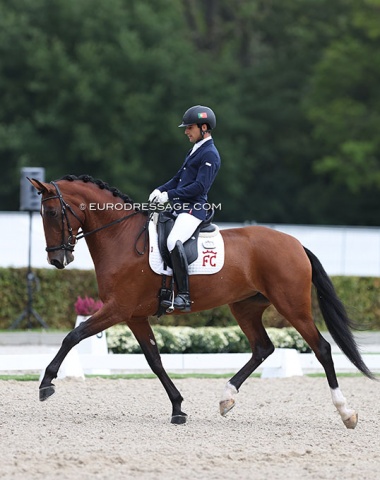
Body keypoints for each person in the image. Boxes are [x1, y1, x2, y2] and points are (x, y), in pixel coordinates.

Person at [149, 105, 221, 312]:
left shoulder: (210, 154)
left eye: (190, 127)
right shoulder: (196, 150)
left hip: (194, 209)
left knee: (173, 241)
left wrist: (169, 196)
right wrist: (160, 190)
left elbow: (200, 186)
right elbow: (178, 179)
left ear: (204, 127)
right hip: (181, 207)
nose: (186, 131)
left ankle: (183, 295)